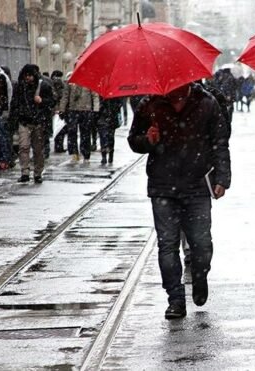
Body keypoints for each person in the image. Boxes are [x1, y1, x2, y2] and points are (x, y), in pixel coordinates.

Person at [127, 82, 231, 319]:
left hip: (197, 185)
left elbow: (220, 141)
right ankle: (175, 298)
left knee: (202, 244)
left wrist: (222, 177)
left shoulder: (206, 102)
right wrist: (148, 140)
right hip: (163, 186)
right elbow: (134, 140)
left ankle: (200, 274)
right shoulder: (150, 104)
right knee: (167, 245)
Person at [9, 64, 56, 183]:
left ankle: (37, 173)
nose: (28, 78)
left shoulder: (43, 86)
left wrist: (42, 101)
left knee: (38, 149)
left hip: (38, 122)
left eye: (30, 76)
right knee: (23, 147)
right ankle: (25, 172)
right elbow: (14, 104)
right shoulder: (20, 87)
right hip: (24, 121)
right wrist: (13, 119)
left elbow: (52, 101)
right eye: (26, 76)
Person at [57, 80, 99, 163]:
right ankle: (74, 152)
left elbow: (95, 95)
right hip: (73, 110)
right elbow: (65, 96)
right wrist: (62, 109)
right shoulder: (70, 81)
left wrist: (95, 110)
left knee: (85, 133)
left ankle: (86, 154)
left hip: (86, 110)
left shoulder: (89, 81)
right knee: (72, 132)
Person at [97, 97, 124, 164]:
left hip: (112, 118)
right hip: (102, 118)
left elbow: (119, 105)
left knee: (110, 137)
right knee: (103, 136)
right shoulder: (100, 93)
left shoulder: (115, 94)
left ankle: (110, 154)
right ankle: (104, 155)